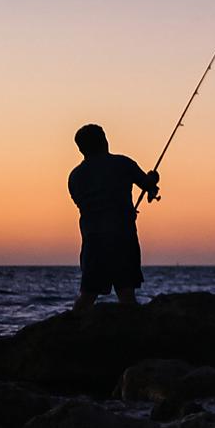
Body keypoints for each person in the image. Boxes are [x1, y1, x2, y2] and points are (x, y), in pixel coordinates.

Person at [67, 123, 160, 309]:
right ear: (104, 141)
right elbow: (147, 184)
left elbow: (86, 204)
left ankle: (73, 324)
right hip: (122, 238)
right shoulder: (123, 163)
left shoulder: (75, 176)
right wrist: (153, 179)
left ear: (81, 149)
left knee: (87, 296)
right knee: (127, 295)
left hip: (93, 241)